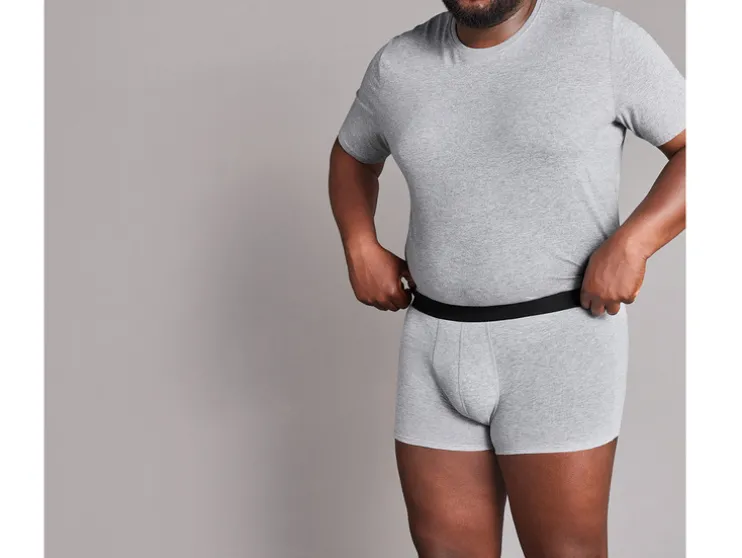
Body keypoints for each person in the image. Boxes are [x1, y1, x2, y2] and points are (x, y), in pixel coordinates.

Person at [327, 0, 685, 555]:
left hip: (559, 342)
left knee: (565, 551)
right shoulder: (399, 64)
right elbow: (352, 156)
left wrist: (635, 243)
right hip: (433, 342)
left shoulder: (603, 40)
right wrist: (359, 244)